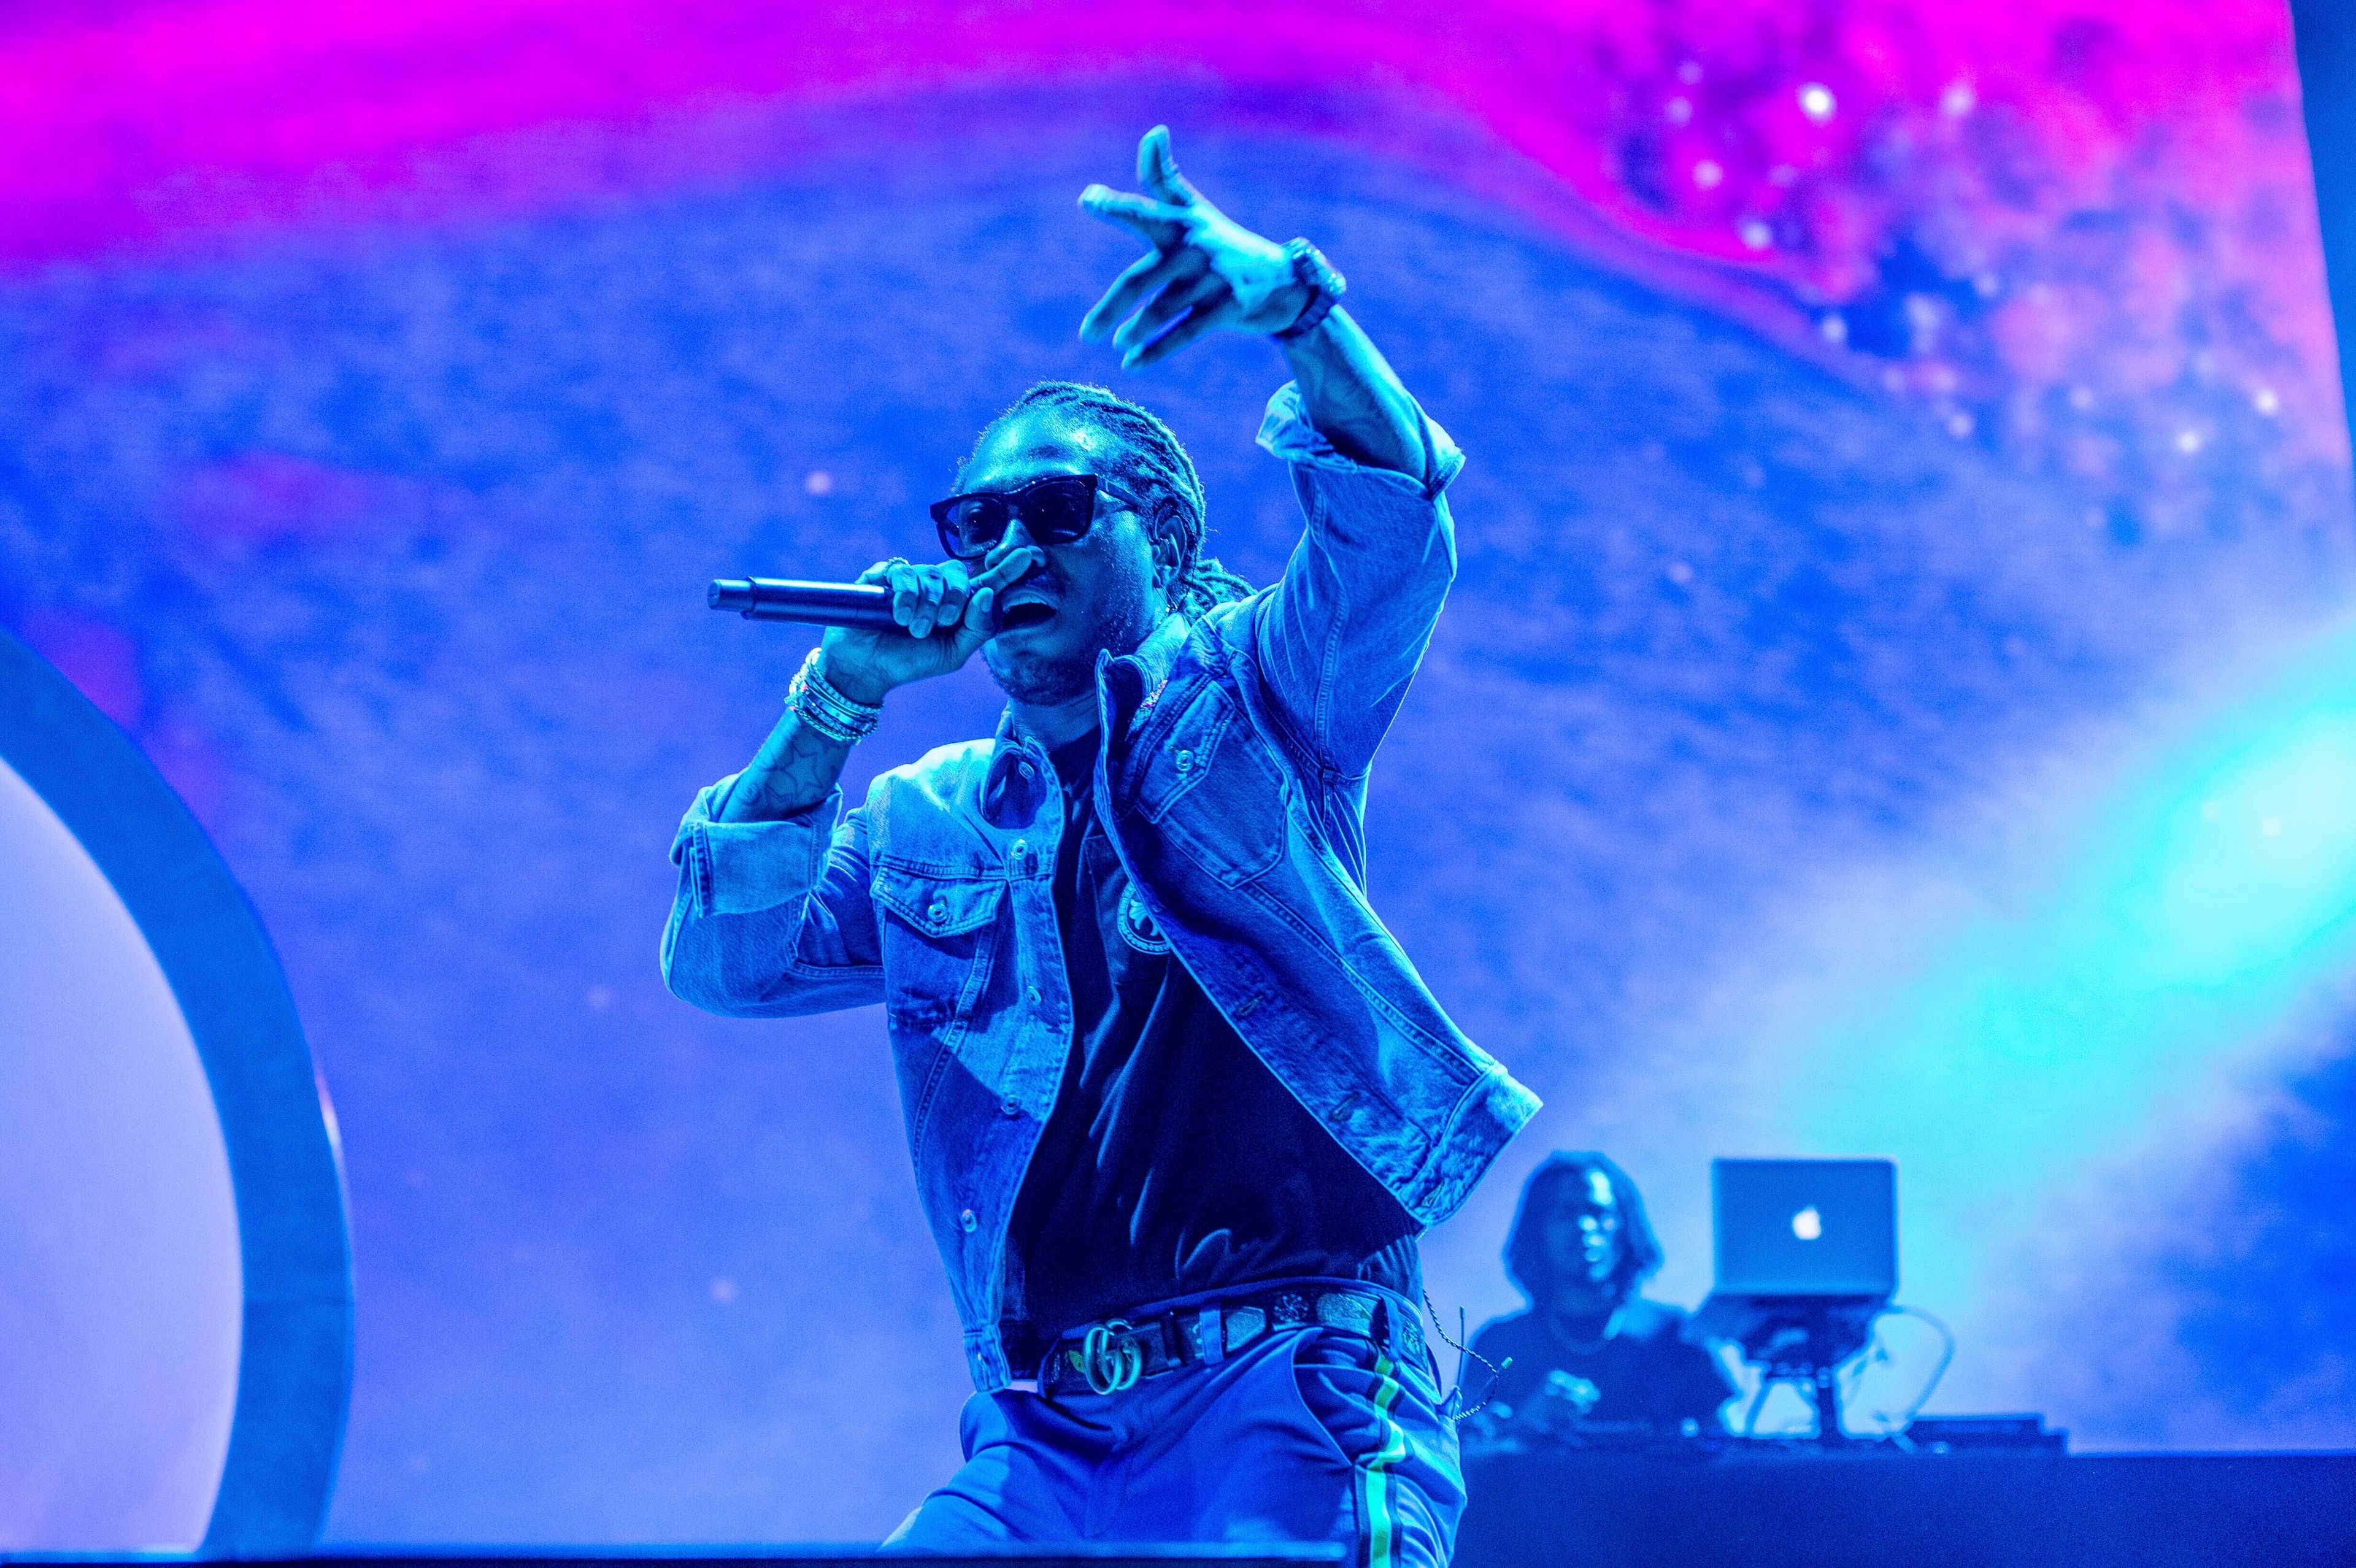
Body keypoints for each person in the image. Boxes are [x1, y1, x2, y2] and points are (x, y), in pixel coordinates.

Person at [661, 126, 1538, 1567]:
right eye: (977, 520)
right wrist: (839, 697)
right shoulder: (930, 815)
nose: (1008, 548)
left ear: (1165, 540)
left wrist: (1298, 312)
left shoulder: (1257, 705)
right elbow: (725, 964)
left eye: (1055, 511)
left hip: (1288, 1392)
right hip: (1039, 1436)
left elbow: (1393, 532)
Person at [1466, 1154, 1733, 1433]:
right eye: (1564, 1213)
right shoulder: (1500, 1345)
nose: (1583, 1227)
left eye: (1598, 1212)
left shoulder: (1676, 1335)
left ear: (1625, 1227)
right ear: (1537, 1232)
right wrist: (1524, 1424)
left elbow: (1733, 1456)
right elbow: (1461, 1458)